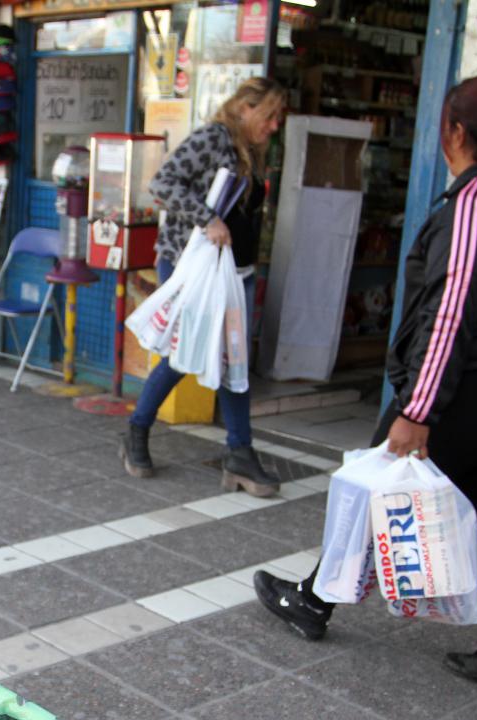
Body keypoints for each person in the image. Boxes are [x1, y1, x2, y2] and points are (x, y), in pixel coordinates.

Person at [253, 75, 477, 703]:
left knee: (374, 486)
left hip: (472, 384)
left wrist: (418, 410)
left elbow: (453, 310)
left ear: (453, 131)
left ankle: (312, 603)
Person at [121, 78, 287, 497]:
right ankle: (136, 430)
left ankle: (240, 455)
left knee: (235, 359)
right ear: (246, 108)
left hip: (235, 272)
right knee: (182, 354)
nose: (274, 126)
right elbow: (162, 183)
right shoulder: (213, 138)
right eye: (270, 116)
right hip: (191, 267)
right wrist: (207, 218)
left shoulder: (253, 150)